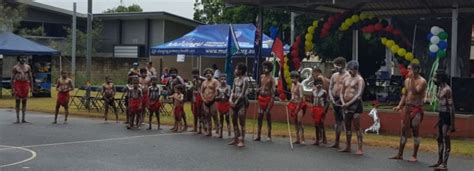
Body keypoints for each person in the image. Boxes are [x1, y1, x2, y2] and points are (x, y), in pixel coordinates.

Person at [389, 63, 427, 162]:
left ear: (416, 70)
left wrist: (413, 79)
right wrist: (399, 105)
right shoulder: (407, 80)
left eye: (410, 69)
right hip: (407, 107)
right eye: (408, 69)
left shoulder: (422, 81)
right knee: (403, 130)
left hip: (416, 108)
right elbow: (405, 95)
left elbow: (415, 92)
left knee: (415, 129)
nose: (408, 71)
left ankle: (414, 155)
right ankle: (400, 154)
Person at [429, 70, 455, 169]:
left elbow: (451, 107)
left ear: (441, 78)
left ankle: (445, 163)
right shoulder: (439, 88)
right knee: (439, 138)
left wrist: (452, 124)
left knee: (445, 138)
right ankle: (439, 160)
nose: (435, 80)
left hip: (447, 115)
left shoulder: (447, 90)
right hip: (441, 114)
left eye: (437, 77)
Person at [340, 60, 365, 155]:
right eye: (349, 70)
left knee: (357, 126)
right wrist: (343, 102)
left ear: (356, 70)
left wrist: (349, 103)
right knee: (347, 126)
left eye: (351, 70)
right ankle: (348, 146)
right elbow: (342, 92)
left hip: (355, 105)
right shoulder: (346, 78)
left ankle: (360, 148)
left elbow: (358, 94)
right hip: (346, 104)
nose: (350, 72)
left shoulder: (360, 80)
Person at [328, 57, 349, 148]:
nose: (337, 67)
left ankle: (348, 144)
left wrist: (342, 99)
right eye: (336, 65)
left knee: (345, 121)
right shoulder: (334, 75)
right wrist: (332, 98)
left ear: (343, 65)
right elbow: (330, 87)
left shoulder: (347, 75)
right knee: (337, 122)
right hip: (335, 99)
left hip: (343, 100)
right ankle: (337, 141)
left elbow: (348, 89)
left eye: (339, 65)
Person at [228, 63, 249, 147]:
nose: (235, 70)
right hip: (233, 101)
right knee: (233, 119)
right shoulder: (235, 80)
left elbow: (243, 94)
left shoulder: (245, 80)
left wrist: (235, 102)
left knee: (241, 119)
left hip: (241, 102)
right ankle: (236, 137)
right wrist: (230, 100)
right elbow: (233, 91)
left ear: (241, 70)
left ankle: (242, 140)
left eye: (236, 69)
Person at [255, 61, 275, 142]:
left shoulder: (272, 79)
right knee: (259, 116)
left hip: (268, 98)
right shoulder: (261, 77)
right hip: (261, 98)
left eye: (266, 67)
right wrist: (258, 90)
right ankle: (258, 135)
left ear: (270, 69)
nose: (264, 69)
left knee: (267, 114)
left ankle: (269, 135)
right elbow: (261, 87)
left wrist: (272, 98)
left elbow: (273, 90)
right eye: (263, 67)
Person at [11, 56, 33, 124]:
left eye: (24, 58)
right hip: (18, 84)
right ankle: (17, 119)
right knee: (17, 101)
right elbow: (12, 78)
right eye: (21, 58)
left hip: (25, 84)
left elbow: (30, 77)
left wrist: (32, 87)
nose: (23, 59)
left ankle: (23, 118)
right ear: (18, 59)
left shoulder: (28, 67)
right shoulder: (15, 67)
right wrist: (12, 89)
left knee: (24, 101)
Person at [287, 71, 307, 144]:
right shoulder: (292, 85)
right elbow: (292, 96)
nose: (293, 80)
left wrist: (298, 107)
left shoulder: (300, 85)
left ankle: (303, 138)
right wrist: (289, 102)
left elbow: (301, 97)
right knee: (295, 121)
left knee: (299, 121)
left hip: (300, 104)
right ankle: (297, 138)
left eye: (294, 78)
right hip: (294, 104)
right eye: (292, 78)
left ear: (297, 78)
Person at [200, 68, 220, 136]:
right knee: (207, 115)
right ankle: (209, 131)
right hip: (205, 101)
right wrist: (203, 99)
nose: (208, 74)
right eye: (207, 73)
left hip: (213, 101)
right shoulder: (204, 82)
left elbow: (217, 91)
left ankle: (217, 128)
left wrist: (213, 98)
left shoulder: (215, 81)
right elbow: (201, 92)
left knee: (214, 114)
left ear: (212, 74)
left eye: (210, 73)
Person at [311, 78, 327, 146]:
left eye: (320, 83)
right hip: (315, 108)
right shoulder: (313, 92)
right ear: (315, 84)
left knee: (321, 123)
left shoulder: (324, 92)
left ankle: (323, 138)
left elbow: (326, 102)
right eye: (317, 84)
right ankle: (317, 139)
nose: (319, 85)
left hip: (321, 108)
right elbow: (312, 101)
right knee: (316, 124)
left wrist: (324, 110)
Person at [215, 73, 231, 138]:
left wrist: (225, 93)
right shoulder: (217, 88)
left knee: (227, 117)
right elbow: (216, 97)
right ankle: (220, 133)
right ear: (219, 80)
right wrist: (219, 96)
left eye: (224, 79)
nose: (223, 80)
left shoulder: (228, 87)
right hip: (220, 104)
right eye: (221, 79)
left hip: (226, 104)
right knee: (221, 118)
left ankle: (229, 131)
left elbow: (229, 96)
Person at [191, 69, 205, 133]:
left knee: (200, 113)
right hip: (194, 98)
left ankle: (201, 128)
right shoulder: (193, 80)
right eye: (193, 74)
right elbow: (194, 88)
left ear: (198, 74)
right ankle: (195, 128)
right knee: (195, 113)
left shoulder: (202, 79)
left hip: (200, 98)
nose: (194, 76)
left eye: (195, 74)